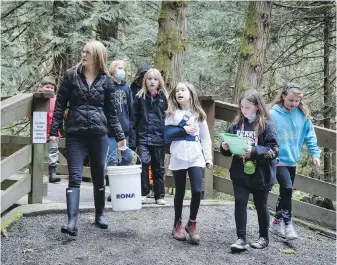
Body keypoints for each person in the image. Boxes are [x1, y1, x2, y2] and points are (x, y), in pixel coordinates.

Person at [50, 40, 126, 236]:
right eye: (83, 52)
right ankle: (72, 221)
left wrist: (119, 136)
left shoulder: (107, 82)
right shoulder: (71, 76)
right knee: (74, 177)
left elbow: (111, 112)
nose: (83, 55)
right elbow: (59, 105)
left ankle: (100, 214)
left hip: (99, 135)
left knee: (99, 176)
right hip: (75, 133)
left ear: (98, 56)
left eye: (88, 53)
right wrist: (53, 131)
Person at [220, 89, 279, 251]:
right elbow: (226, 149)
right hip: (240, 173)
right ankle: (241, 238)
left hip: (261, 174)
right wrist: (225, 147)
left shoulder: (267, 126)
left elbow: (274, 150)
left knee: (261, 205)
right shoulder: (236, 125)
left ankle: (263, 237)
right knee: (240, 202)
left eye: (247, 107)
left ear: (257, 107)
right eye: (242, 107)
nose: (244, 111)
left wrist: (253, 151)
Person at [269, 83, 321, 240]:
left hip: (292, 160)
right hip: (277, 159)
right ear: (284, 96)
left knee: (285, 192)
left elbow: (310, 136)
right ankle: (288, 223)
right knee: (287, 187)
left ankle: (276, 222)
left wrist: (315, 154)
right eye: (291, 100)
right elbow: (263, 129)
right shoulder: (273, 113)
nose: (293, 104)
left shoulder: (302, 115)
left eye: (296, 101)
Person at [164, 82, 213, 245]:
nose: (179, 93)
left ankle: (192, 223)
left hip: (195, 155)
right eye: (177, 91)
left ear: (191, 93)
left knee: (197, 190)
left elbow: (205, 138)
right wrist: (182, 130)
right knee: (179, 191)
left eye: (183, 90)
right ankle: (177, 224)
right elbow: (165, 134)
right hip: (178, 154)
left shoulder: (199, 114)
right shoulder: (171, 113)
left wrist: (208, 158)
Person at [129, 68, 168, 205]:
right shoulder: (140, 97)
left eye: (155, 79)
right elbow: (133, 120)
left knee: (158, 166)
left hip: (159, 138)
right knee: (144, 163)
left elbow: (169, 118)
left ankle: (159, 195)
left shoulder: (164, 98)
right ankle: (144, 192)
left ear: (160, 82)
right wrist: (132, 142)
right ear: (145, 81)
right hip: (143, 137)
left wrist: (168, 137)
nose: (152, 81)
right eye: (150, 79)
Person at [106, 60, 134, 202]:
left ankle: (118, 173)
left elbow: (130, 108)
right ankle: (114, 190)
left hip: (124, 130)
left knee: (128, 157)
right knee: (111, 160)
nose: (121, 70)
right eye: (119, 68)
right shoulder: (108, 86)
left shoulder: (126, 88)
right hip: (110, 131)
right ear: (112, 70)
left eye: (123, 68)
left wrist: (130, 126)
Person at [34, 76, 62, 183]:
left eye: (52, 88)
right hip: (40, 130)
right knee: (38, 151)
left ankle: (52, 174)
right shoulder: (37, 98)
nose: (50, 89)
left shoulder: (56, 99)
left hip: (53, 131)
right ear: (41, 87)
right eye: (47, 87)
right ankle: (37, 173)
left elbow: (60, 113)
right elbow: (30, 114)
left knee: (53, 151)